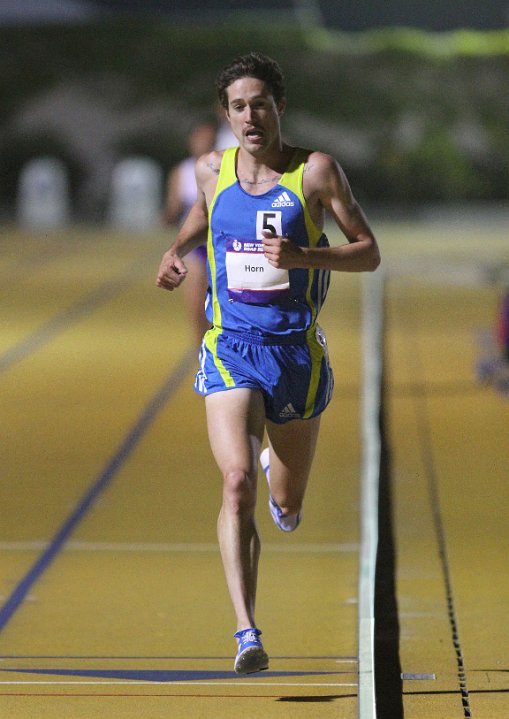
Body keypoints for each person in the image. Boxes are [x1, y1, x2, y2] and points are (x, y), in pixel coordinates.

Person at [156, 51, 380, 674]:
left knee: (286, 500)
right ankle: (246, 632)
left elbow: (368, 253)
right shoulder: (210, 170)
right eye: (237, 106)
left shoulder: (316, 173)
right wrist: (175, 252)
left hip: (295, 355)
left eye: (259, 104)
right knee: (236, 485)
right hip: (229, 346)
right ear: (224, 114)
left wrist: (306, 258)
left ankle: (284, 491)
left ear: (279, 106)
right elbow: (202, 218)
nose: (249, 116)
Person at [163, 118, 218, 344]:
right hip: (195, 249)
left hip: (219, 245)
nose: (205, 142)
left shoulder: (224, 169)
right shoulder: (182, 171)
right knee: (196, 305)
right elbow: (173, 208)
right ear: (191, 141)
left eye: (209, 138)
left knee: (222, 306)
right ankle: (201, 350)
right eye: (200, 138)